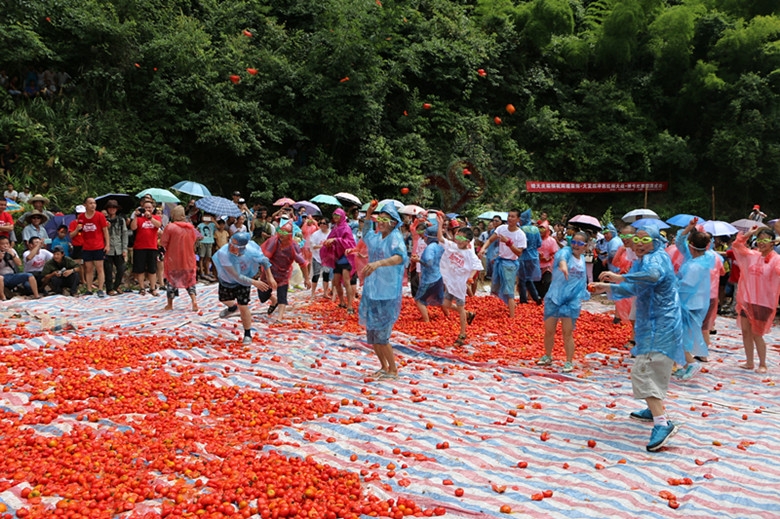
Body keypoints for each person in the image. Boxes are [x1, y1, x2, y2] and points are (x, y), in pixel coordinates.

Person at [590, 225, 685, 452]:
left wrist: (618, 276)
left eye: (645, 239)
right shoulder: (643, 261)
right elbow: (635, 286)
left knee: (643, 371)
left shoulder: (657, 258)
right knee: (652, 367)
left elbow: (652, 277)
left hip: (661, 324)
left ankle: (662, 422)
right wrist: (605, 287)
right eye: (635, 239)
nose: (639, 243)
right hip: (650, 323)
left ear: (656, 241)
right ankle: (653, 409)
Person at [359, 202, 408, 379]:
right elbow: (366, 235)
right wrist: (368, 215)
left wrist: (379, 263)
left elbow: (400, 257)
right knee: (372, 334)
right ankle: (383, 367)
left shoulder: (395, 237)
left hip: (387, 292)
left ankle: (393, 370)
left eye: (384, 219)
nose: (380, 222)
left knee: (382, 335)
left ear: (394, 223)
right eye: (379, 218)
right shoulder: (377, 238)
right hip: (373, 290)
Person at [536, 231, 590, 373]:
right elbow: (562, 258)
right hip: (555, 297)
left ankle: (568, 361)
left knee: (567, 332)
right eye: (574, 242)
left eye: (580, 243)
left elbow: (582, 279)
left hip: (571, 301)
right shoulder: (565, 251)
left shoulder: (583, 259)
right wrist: (563, 266)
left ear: (586, 246)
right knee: (549, 330)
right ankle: (547, 355)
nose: (575, 246)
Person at [731, 226, 780, 374]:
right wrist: (749, 234)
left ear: (772, 243)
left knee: (757, 333)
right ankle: (749, 362)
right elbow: (737, 246)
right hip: (747, 300)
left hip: (764, 302)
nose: (761, 243)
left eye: (765, 240)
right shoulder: (752, 255)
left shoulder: (776, 259)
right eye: (759, 239)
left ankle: (763, 363)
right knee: (746, 331)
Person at [213, 232, 276, 344]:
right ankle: (232, 308)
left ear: (243, 248)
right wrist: (254, 283)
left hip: (245, 279)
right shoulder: (223, 253)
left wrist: (270, 277)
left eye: (235, 246)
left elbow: (264, 261)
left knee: (243, 306)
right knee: (224, 299)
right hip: (228, 279)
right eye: (231, 243)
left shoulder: (251, 250)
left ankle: (247, 334)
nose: (231, 247)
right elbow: (236, 276)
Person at [672, 220, 715, 381]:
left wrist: (672, 287)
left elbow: (685, 286)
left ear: (691, 246)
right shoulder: (704, 257)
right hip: (697, 301)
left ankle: (690, 363)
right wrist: (689, 228)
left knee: (679, 335)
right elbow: (680, 242)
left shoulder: (694, 266)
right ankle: (685, 364)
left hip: (689, 303)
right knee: (684, 335)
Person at [436, 214, 481, 346]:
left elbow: (477, 266)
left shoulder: (469, 254)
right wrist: (440, 225)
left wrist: (470, 277)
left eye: (462, 238)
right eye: (458, 236)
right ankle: (468, 314)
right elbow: (440, 238)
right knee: (445, 304)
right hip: (451, 283)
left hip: (460, 284)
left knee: (460, 308)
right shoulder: (452, 246)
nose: (459, 239)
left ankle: (462, 334)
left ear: (468, 242)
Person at [478, 209, 526, 318]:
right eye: (509, 216)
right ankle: (511, 306)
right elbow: (490, 240)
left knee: (509, 290)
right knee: (497, 286)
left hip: (511, 264)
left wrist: (508, 243)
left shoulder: (521, 235)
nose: (510, 218)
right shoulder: (501, 229)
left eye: (513, 216)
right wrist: (483, 249)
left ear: (518, 219)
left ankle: (512, 317)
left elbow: (519, 253)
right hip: (500, 261)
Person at [260, 221, 310, 320]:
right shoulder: (273, 241)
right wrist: (269, 277)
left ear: (290, 235)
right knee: (262, 296)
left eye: (284, 233)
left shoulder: (293, 246)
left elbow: (302, 263)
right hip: (269, 272)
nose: (281, 235)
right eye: (280, 232)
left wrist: (307, 278)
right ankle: (274, 301)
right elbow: (265, 259)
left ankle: (279, 318)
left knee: (282, 295)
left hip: (283, 274)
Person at [161, 206, 200, 311]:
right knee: (190, 281)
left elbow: (164, 242)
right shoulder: (190, 227)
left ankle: (170, 304)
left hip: (174, 259)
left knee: (171, 281)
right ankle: (194, 301)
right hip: (188, 258)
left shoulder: (170, 227)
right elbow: (195, 239)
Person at [320, 208, 357, 313]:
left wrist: (336, 240)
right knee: (336, 282)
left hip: (346, 258)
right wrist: (328, 243)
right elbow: (330, 239)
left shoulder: (346, 228)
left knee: (346, 281)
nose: (335, 217)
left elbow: (350, 243)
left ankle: (350, 305)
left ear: (342, 216)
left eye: (338, 215)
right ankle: (342, 302)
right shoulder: (335, 228)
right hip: (337, 258)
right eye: (334, 215)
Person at [72, 197, 110, 297]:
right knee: (88, 269)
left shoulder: (100, 216)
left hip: (98, 245)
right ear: (85, 205)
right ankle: (89, 289)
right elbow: (78, 232)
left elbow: (105, 231)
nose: (93, 205)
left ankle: (100, 288)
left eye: (94, 203)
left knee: (99, 268)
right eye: (90, 203)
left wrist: (107, 244)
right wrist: (78, 230)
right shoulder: (81, 217)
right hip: (87, 246)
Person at [413, 223, 444, 324]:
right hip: (438, 276)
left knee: (419, 300)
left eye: (425, 236)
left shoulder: (429, 248)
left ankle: (426, 321)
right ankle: (450, 316)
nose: (424, 238)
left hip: (430, 278)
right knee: (440, 299)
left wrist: (418, 260)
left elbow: (429, 262)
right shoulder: (439, 246)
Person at [130, 198, 162, 295]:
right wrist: (136, 216)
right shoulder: (139, 218)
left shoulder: (156, 217)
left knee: (152, 269)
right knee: (140, 269)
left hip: (152, 246)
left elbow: (158, 225)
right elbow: (133, 227)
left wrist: (150, 218)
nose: (147, 209)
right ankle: (142, 287)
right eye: (145, 208)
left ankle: (152, 287)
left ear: (152, 209)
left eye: (149, 208)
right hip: (139, 246)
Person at [0, 235, 40, 299]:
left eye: (7, 243)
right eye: (2, 244)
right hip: (2, 276)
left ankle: (36, 295)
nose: (5, 245)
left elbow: (19, 263)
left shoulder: (12, 251)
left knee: (29, 275)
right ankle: (3, 297)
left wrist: (13, 255)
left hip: (12, 275)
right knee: (0, 278)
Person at [517, 209, 542, 305]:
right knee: (529, 278)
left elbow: (521, 244)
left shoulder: (521, 229)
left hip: (524, 256)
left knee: (522, 279)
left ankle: (523, 300)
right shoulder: (535, 229)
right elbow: (539, 243)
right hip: (534, 257)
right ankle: (536, 297)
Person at [104, 200, 128, 296]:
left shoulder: (121, 220)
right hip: (108, 248)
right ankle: (109, 289)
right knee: (108, 270)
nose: (112, 209)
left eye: (114, 207)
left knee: (121, 268)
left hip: (118, 247)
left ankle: (116, 286)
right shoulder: (104, 220)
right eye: (110, 207)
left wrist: (124, 249)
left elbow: (124, 235)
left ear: (117, 209)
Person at [308, 219, 331, 298]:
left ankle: (325, 292)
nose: (321, 225)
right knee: (316, 275)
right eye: (320, 223)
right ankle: (313, 293)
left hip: (327, 258)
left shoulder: (331, 233)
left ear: (327, 224)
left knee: (326, 275)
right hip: (317, 256)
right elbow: (312, 246)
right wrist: (323, 246)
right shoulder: (315, 234)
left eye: (324, 223)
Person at [535, 222, 559, 299]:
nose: (541, 231)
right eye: (540, 229)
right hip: (537, 264)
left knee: (547, 281)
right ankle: (539, 296)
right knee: (536, 281)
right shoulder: (535, 239)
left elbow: (555, 252)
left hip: (548, 265)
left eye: (543, 229)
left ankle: (543, 296)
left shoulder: (551, 240)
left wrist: (548, 258)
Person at [196, 214, 216, 281]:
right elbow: (195, 231)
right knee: (201, 257)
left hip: (210, 242)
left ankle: (207, 271)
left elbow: (219, 227)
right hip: (202, 242)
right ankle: (202, 272)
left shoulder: (212, 225)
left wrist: (213, 220)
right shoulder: (201, 225)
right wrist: (198, 236)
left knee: (208, 257)